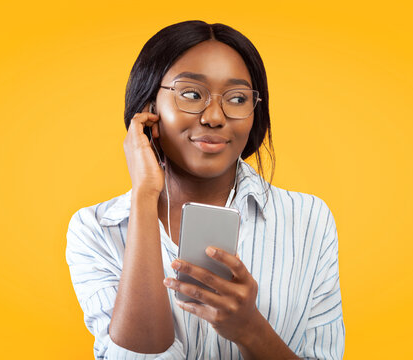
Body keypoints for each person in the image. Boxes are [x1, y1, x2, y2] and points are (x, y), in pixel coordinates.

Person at [66, 20, 345, 359]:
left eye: (238, 98)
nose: (214, 116)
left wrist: (249, 330)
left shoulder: (308, 221)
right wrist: (143, 197)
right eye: (192, 94)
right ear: (150, 108)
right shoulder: (96, 230)